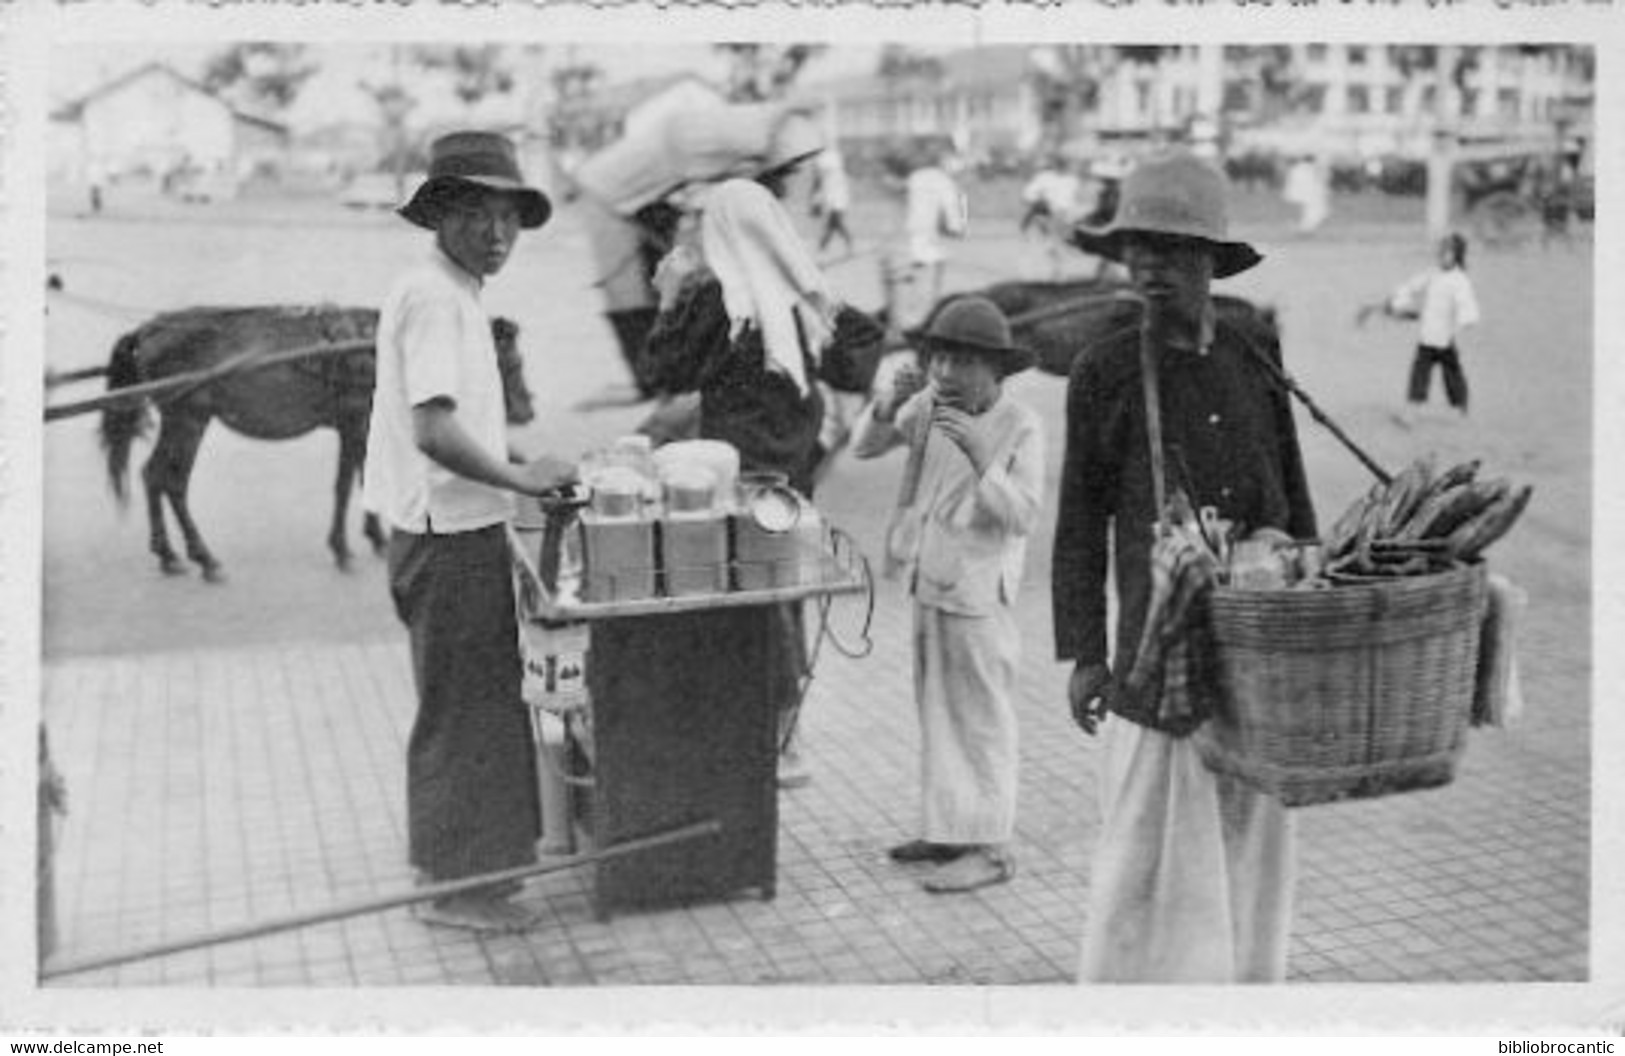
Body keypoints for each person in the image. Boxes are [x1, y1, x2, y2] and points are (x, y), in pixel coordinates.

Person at [1053, 149, 1317, 982]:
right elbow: (1078, 524)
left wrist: (1307, 605)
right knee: (1141, 864)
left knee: (1248, 853)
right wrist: (1086, 654)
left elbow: (1292, 495)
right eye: (1134, 247)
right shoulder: (1103, 370)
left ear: (1209, 259)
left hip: (1255, 657)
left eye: (1167, 249)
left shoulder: (1253, 351)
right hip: (1150, 658)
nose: (1144, 266)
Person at [364, 131, 578, 934]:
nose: (496, 233)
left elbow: (458, 425)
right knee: (469, 712)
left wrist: (521, 457)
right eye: (477, 213)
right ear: (439, 215)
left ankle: (450, 864)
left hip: (446, 528)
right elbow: (432, 431)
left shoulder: (447, 289)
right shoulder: (436, 297)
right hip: (447, 537)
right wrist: (521, 478)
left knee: (463, 704)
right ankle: (459, 891)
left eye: (509, 218)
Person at [642, 178, 885, 787]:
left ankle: (772, 734)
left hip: (737, 475)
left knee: (749, 602)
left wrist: (670, 297)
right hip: (794, 472)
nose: (694, 229)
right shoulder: (798, 302)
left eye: (703, 220)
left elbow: (662, 371)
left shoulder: (721, 299)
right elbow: (857, 360)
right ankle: (785, 728)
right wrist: (816, 290)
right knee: (783, 594)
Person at [852, 296, 1044, 893]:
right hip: (930, 577)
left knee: (981, 719)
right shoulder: (930, 405)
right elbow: (866, 445)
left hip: (981, 595)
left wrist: (985, 462)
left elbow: (1023, 517)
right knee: (937, 710)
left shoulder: (1020, 424)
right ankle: (949, 830)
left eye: (959, 362)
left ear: (995, 368)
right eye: (937, 358)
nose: (942, 373)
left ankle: (992, 849)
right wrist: (886, 403)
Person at [1388, 233, 1481, 419]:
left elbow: (1466, 303)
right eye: (1441, 252)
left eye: (1448, 252)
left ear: (1457, 255)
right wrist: (1398, 303)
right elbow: (1411, 286)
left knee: (1452, 373)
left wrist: (1466, 319)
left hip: (1445, 338)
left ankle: (1461, 403)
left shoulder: (1459, 280)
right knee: (1419, 373)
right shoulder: (1432, 274)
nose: (1442, 256)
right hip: (1427, 335)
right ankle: (1412, 409)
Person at [903, 145, 969, 322]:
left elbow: (909, 200)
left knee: (920, 266)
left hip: (916, 228)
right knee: (934, 269)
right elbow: (950, 209)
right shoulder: (944, 181)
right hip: (933, 232)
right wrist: (957, 228)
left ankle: (914, 307)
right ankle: (927, 309)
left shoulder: (915, 177)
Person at [813, 147, 855, 256]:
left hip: (838, 205)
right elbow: (824, 191)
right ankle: (847, 245)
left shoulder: (836, 175)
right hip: (834, 205)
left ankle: (822, 250)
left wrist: (819, 202)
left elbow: (834, 191)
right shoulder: (829, 176)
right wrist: (819, 202)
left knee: (834, 226)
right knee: (832, 227)